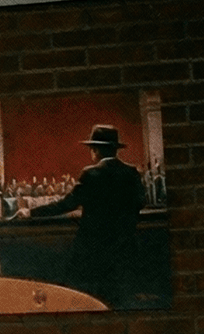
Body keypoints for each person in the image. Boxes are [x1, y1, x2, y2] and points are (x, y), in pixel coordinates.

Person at [22, 124, 145, 306]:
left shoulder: (91, 174)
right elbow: (140, 203)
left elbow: (65, 204)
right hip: (125, 251)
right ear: (115, 149)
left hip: (92, 252)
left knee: (81, 296)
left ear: (95, 151)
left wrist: (30, 212)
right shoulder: (132, 173)